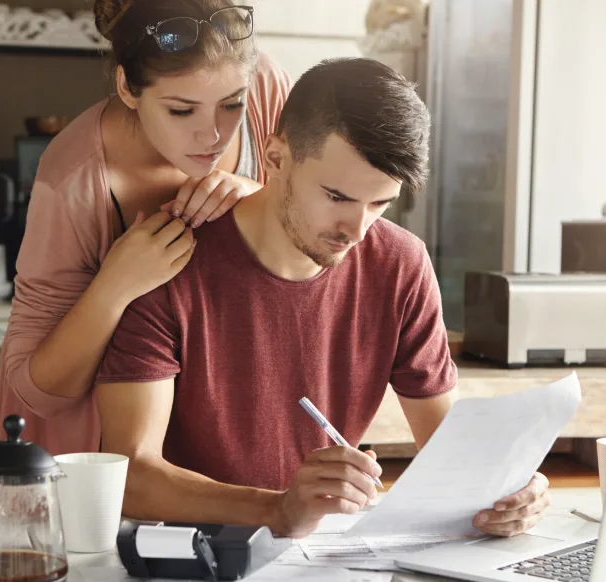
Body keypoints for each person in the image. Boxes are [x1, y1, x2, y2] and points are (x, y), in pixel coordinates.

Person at [94, 57, 551, 539]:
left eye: (379, 203)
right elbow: (129, 475)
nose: (356, 231)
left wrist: (509, 489)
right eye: (337, 196)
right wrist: (277, 509)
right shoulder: (168, 261)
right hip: (196, 558)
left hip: (327, 557)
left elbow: (452, 455)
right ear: (275, 157)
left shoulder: (400, 263)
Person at [0, 0, 291, 453]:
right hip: (101, 458)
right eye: (181, 110)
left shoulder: (264, 85)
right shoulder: (71, 178)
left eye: (231, 105)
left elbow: (321, 227)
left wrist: (259, 199)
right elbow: (39, 391)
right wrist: (114, 286)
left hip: (231, 428)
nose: (212, 135)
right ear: (128, 89)